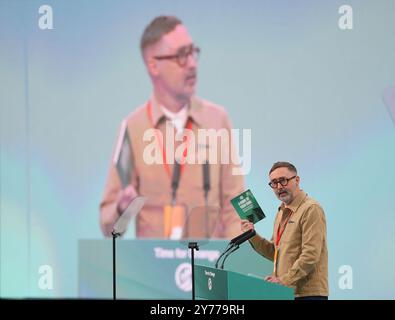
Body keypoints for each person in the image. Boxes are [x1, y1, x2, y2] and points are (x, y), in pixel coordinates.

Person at [100, 16, 244, 238]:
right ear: (153, 65)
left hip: (210, 265)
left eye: (192, 52)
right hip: (155, 267)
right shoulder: (133, 127)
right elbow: (108, 226)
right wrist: (122, 208)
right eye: (181, 56)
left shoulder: (218, 120)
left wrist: (240, 258)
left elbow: (239, 202)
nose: (192, 64)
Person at [241, 162, 328, 300]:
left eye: (283, 180)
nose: (279, 187)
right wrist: (251, 234)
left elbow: (311, 255)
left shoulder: (311, 209)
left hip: (308, 294)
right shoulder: (282, 211)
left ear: (297, 180)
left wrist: (283, 281)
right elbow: (274, 252)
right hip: (285, 293)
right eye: (274, 183)